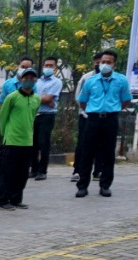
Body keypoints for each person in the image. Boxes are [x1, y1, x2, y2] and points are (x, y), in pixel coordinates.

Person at [74, 49, 132, 199]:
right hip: (92, 119)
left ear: (114, 64)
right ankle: (82, 186)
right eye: (102, 62)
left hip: (111, 119)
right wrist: (93, 111)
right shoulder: (91, 81)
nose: (104, 64)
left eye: (108, 62)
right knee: (87, 153)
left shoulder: (121, 80)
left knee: (108, 154)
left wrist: (114, 108)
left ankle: (105, 186)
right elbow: (82, 102)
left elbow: (126, 99)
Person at [0, 68, 39, 210]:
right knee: (8, 172)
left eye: (32, 78)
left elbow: (32, 117)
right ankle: (3, 200)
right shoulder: (12, 97)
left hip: (27, 141)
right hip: (12, 140)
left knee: (22, 173)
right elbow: (3, 117)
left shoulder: (36, 98)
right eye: (26, 78)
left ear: (35, 80)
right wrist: (5, 134)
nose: (29, 80)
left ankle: (16, 198)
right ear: (21, 79)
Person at [0, 57, 35, 190]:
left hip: (24, 130)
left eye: (28, 67)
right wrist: (5, 131)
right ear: (18, 66)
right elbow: (2, 108)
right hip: (10, 129)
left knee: (21, 164)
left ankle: (16, 193)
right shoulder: (8, 84)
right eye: (22, 66)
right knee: (3, 158)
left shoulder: (34, 87)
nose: (24, 69)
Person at [72, 52, 103, 182]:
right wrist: (87, 111)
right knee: (82, 144)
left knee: (101, 144)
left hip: (103, 118)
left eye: (101, 62)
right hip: (86, 116)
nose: (99, 64)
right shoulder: (86, 78)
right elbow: (78, 97)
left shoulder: (112, 79)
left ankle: (97, 172)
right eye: (96, 61)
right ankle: (77, 171)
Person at [31, 58, 61, 180]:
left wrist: (41, 99)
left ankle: (42, 171)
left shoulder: (56, 82)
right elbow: (33, 97)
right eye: (46, 65)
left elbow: (48, 99)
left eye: (51, 65)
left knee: (44, 143)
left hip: (47, 116)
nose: (48, 67)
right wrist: (43, 99)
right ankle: (33, 169)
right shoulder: (37, 81)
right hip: (34, 115)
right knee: (32, 143)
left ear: (55, 68)